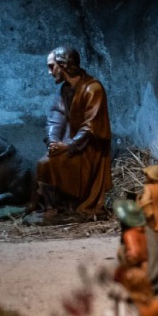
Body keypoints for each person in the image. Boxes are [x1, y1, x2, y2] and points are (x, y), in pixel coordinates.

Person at [30, 47, 112, 216]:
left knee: (47, 164)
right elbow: (56, 117)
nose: (49, 72)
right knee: (43, 163)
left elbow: (91, 126)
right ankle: (53, 207)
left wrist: (68, 145)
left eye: (52, 66)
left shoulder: (93, 88)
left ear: (64, 65)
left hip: (88, 148)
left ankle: (68, 205)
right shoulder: (65, 89)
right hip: (71, 143)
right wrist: (53, 142)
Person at [114, 199, 158, 295]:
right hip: (157, 278)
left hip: (145, 280)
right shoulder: (149, 231)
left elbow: (134, 255)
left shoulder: (130, 234)